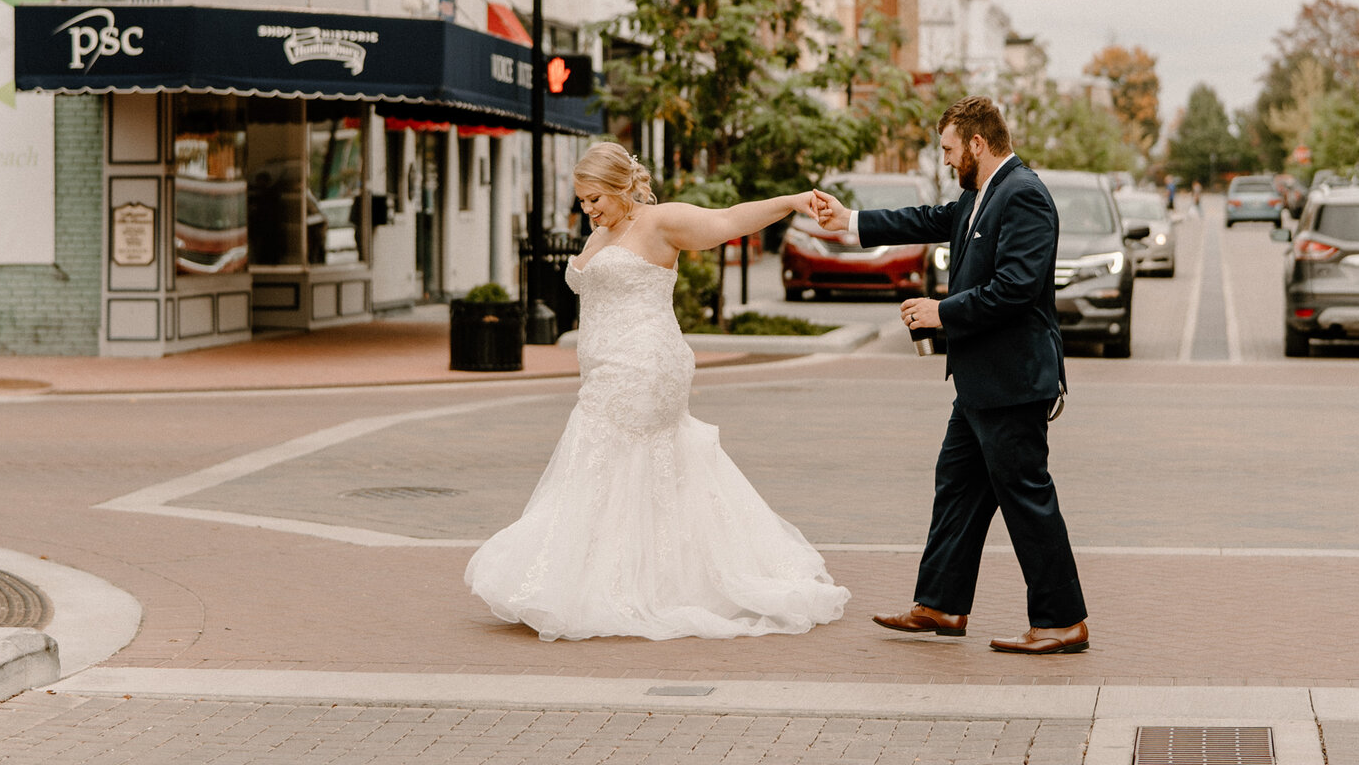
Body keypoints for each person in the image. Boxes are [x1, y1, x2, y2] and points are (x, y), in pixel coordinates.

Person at [465, 141, 850, 641]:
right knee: (621, 465)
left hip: (644, 366)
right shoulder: (601, 232)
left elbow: (728, 220)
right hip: (605, 368)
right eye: (582, 201)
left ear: (623, 187)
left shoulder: (658, 222)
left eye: (596, 198)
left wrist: (791, 202)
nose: (588, 210)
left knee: (608, 458)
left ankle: (616, 584)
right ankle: (620, 576)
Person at [813, 96, 1090, 655]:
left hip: (1013, 383)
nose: (943, 159)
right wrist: (851, 221)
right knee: (957, 489)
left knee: (1027, 499)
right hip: (980, 385)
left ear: (977, 144)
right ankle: (940, 605)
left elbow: (1015, 288)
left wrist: (942, 311)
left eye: (947, 148)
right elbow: (927, 219)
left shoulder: (1025, 195)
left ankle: (1063, 621)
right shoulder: (979, 195)